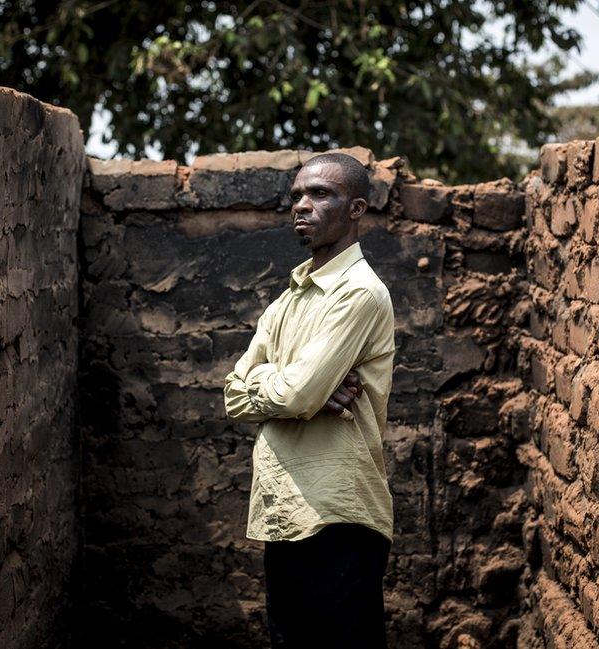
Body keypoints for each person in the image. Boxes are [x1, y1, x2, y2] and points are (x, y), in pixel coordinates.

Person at [223, 152, 396, 648]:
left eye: (321, 194)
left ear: (357, 208)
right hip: (285, 509)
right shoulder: (288, 298)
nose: (302, 205)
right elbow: (234, 394)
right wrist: (305, 394)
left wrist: (296, 391)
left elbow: (295, 393)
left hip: (338, 512)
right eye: (297, 195)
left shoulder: (359, 293)